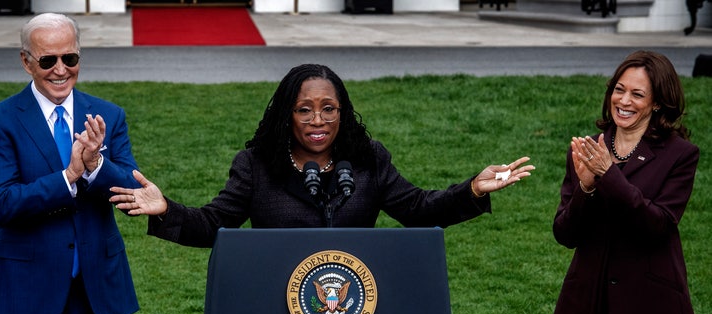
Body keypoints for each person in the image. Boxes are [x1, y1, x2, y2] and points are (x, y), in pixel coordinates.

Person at [109, 63, 534, 246]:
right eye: (304, 109)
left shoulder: (368, 159)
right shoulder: (257, 165)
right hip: (280, 301)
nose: (318, 121)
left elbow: (418, 209)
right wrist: (166, 210)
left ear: (342, 113)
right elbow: (216, 223)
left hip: (353, 304)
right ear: (287, 116)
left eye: (328, 109)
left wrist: (473, 190)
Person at [0, 13, 141, 314]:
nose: (60, 70)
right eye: (48, 60)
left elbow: (129, 191)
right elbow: (2, 203)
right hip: (27, 297)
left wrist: (95, 165)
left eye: (69, 57)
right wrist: (68, 177)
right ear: (26, 62)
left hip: (97, 296)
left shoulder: (107, 115)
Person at [548, 50, 700, 314]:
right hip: (593, 307)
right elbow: (565, 233)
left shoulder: (680, 156)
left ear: (658, 102)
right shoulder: (589, 149)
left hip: (652, 309)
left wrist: (609, 177)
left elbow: (657, 225)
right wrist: (585, 186)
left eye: (637, 94)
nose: (624, 101)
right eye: (619, 90)